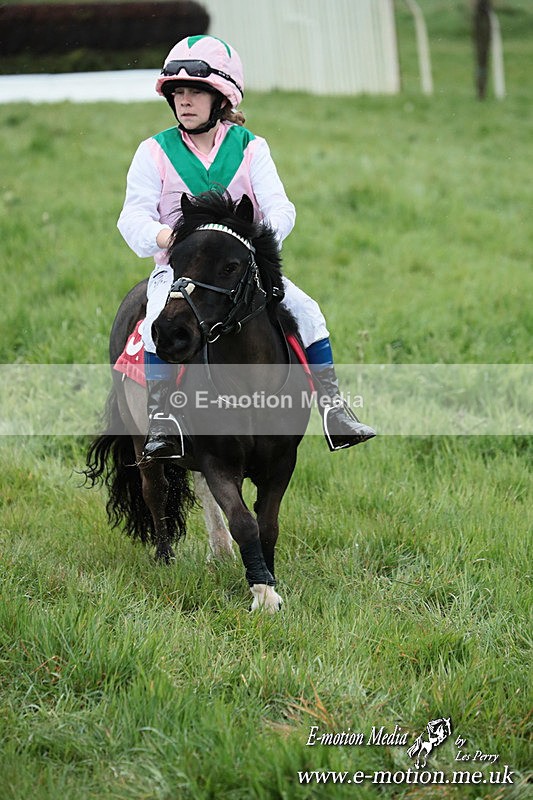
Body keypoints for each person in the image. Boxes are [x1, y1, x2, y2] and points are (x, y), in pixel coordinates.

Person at [117, 34, 375, 459]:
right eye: (178, 92)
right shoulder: (153, 152)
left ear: (222, 98)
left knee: (309, 311)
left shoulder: (252, 147)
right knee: (155, 321)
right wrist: (169, 238)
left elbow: (281, 208)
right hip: (178, 270)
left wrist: (253, 241)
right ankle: (162, 418)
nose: (185, 101)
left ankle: (333, 409)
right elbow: (131, 218)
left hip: (241, 270)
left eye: (196, 92)